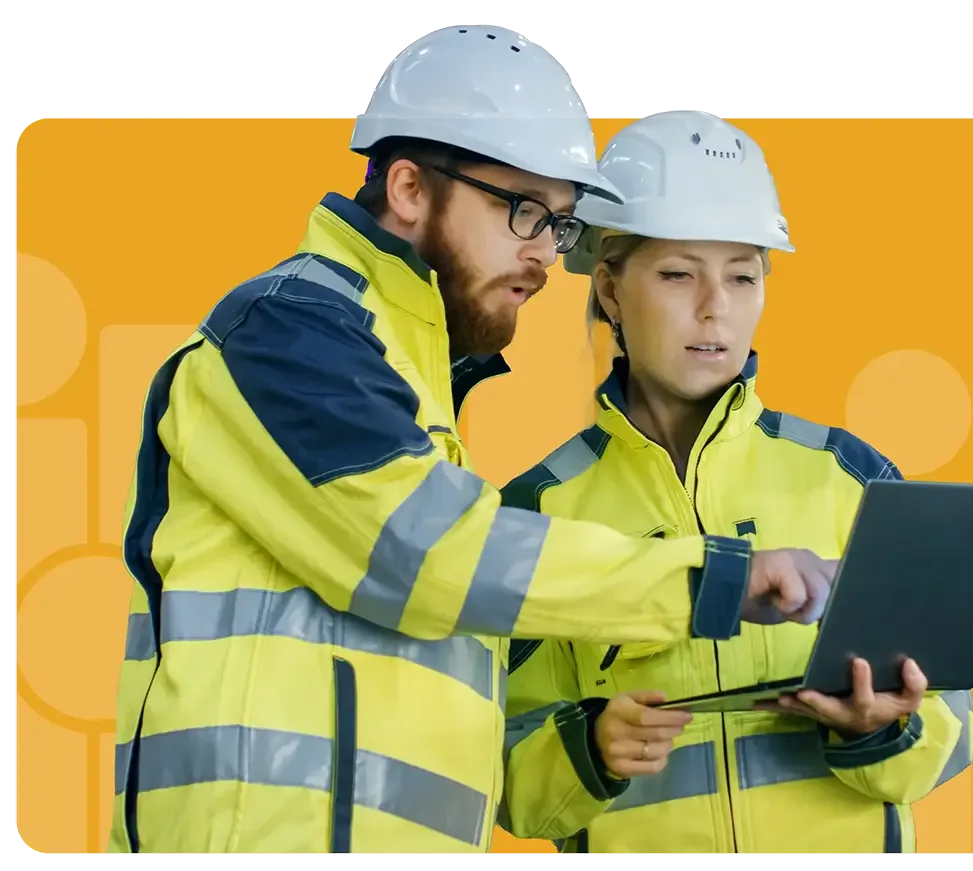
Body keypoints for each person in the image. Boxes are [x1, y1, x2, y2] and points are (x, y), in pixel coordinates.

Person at [107, 29, 838, 856]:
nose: (539, 254)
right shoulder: (290, 332)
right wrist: (712, 578)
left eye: (558, 225)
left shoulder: (414, 382)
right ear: (412, 189)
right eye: (521, 209)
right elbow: (422, 553)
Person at [498, 111, 973, 855]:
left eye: (743, 275)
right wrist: (587, 745)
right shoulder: (534, 511)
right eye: (679, 273)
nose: (715, 306)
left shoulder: (851, 475)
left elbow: (950, 731)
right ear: (613, 292)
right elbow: (500, 765)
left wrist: (882, 726)